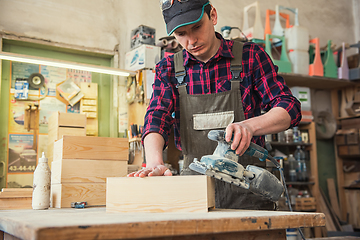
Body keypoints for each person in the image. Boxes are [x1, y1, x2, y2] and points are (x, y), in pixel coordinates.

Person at [128, 0, 301, 210]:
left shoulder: (250, 57)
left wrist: (250, 126)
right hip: (195, 194)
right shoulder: (168, 69)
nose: (191, 40)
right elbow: (157, 116)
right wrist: (154, 162)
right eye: (181, 33)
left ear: (213, 16)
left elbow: (289, 106)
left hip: (248, 192)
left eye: (197, 27)